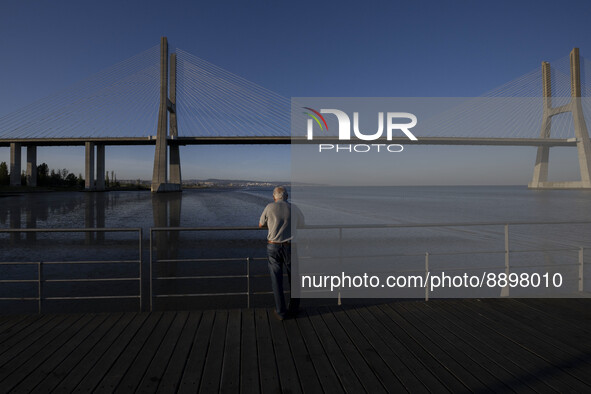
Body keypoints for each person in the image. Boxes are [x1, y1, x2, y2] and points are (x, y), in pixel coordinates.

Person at [259, 186, 304, 320]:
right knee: (294, 279)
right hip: (291, 247)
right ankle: (294, 309)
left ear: (274, 197)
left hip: (273, 247)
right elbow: (302, 224)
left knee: (276, 280)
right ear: (287, 197)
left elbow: (261, 224)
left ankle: (281, 312)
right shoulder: (294, 208)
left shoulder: (269, 207)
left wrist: (273, 224)